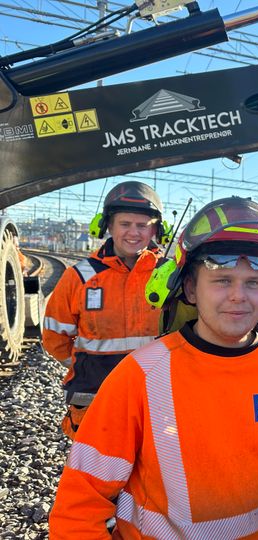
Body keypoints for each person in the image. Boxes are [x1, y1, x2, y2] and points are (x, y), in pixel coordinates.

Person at [49, 196, 258, 539]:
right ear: (190, 289)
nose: (239, 295)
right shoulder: (141, 374)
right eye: (222, 280)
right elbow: (80, 505)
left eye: (253, 282)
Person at [42, 180, 166, 439]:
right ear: (107, 225)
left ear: (155, 229)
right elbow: (54, 338)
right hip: (95, 395)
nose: (134, 233)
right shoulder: (79, 277)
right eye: (125, 224)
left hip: (156, 395)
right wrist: (84, 364)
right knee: (94, 471)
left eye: (142, 225)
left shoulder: (168, 275)